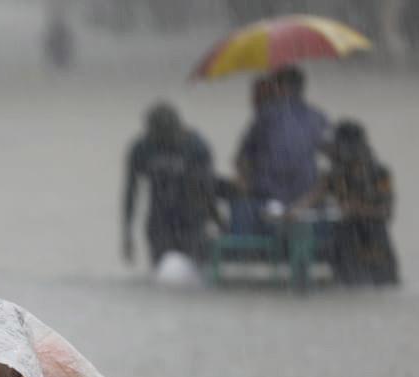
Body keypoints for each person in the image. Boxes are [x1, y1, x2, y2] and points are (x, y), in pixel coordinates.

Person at [294, 120, 399, 285]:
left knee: (378, 288)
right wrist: (292, 212)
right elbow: (313, 197)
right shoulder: (336, 174)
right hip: (345, 242)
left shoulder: (379, 174)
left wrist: (357, 209)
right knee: (347, 289)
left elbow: (386, 211)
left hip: (374, 242)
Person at [232, 65, 330, 231]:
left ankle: (241, 246)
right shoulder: (318, 116)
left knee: (240, 200)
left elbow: (243, 157)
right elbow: (328, 150)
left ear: (279, 87)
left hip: (267, 197)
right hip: (305, 198)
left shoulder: (267, 114)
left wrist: (243, 180)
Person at [122, 102, 216, 266]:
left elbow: (208, 188)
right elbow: (131, 191)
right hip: (159, 222)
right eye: (158, 134)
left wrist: (216, 221)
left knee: (197, 267)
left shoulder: (195, 147)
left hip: (192, 220)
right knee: (162, 269)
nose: (163, 140)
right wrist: (127, 234)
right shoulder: (142, 149)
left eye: (166, 133)